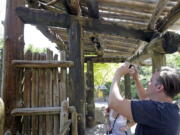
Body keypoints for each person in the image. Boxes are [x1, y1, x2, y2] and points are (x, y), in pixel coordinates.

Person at [108, 62, 180, 135]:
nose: (148, 82)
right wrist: (136, 78)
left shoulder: (155, 110)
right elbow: (145, 98)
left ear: (159, 87)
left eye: (151, 80)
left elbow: (114, 103)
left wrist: (119, 72)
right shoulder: (170, 109)